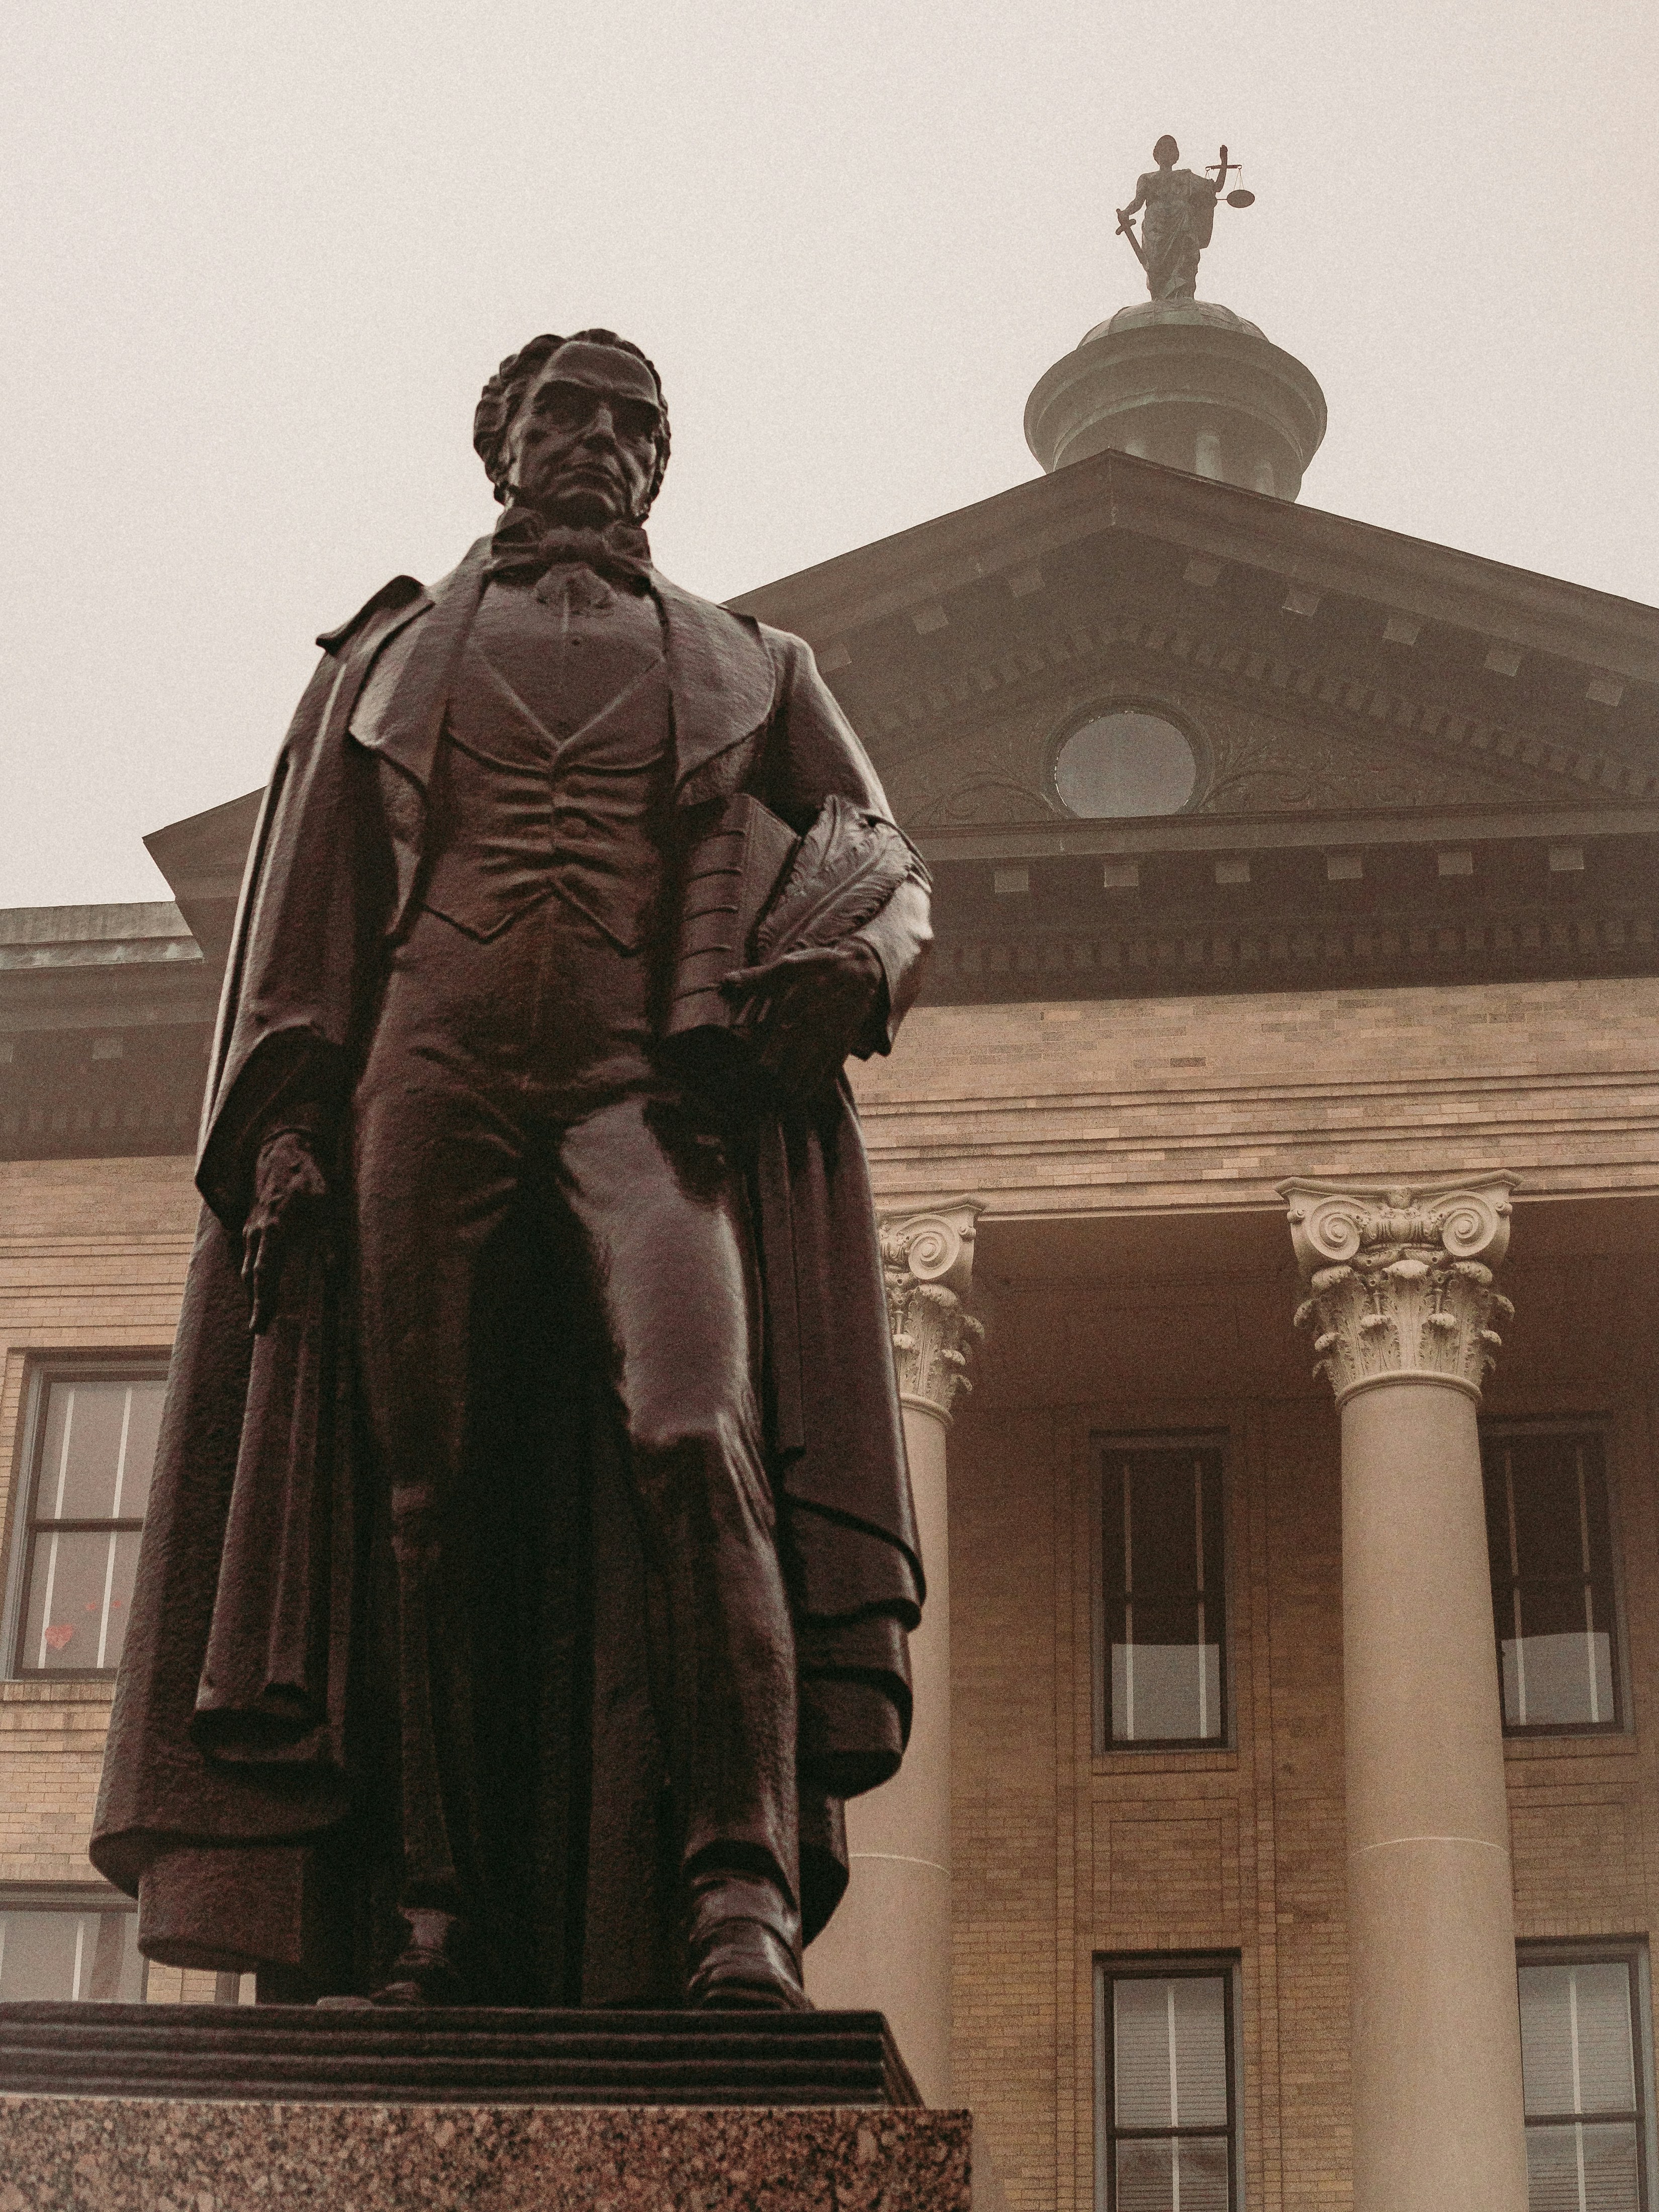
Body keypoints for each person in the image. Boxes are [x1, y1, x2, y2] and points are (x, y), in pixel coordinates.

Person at [92, 329, 933, 2013]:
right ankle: (433, 1914)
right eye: (568, 414)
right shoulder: (386, 658)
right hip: (428, 1075)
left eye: (635, 425)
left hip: (644, 1098)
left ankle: (737, 1897)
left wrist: (862, 959)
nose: (599, 446)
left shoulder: (756, 663)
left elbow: (882, 859)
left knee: (697, 1436)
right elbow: (312, 917)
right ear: (504, 444)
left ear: (657, 466)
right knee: (424, 1498)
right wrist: (277, 1136)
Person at [1118, 135, 1222, 301]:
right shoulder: (1147, 178)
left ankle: (1182, 297)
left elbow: (1215, 188)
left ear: (1176, 155)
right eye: (1163, 149)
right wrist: (1125, 213)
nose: (1167, 152)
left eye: (1171, 149)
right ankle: (1160, 298)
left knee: (1186, 261)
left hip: (1183, 225)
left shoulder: (1186, 177)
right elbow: (1138, 202)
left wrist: (1223, 165)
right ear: (1156, 155)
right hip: (1156, 230)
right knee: (1156, 267)